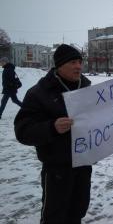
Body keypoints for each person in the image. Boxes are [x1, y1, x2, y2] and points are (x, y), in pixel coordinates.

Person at [14, 44, 92, 224]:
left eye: (80, 61)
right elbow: (22, 131)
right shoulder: (39, 93)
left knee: (78, 211)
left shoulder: (87, 88)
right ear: (59, 65)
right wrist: (51, 127)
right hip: (57, 169)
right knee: (54, 217)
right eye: (73, 62)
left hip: (83, 165)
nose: (79, 66)